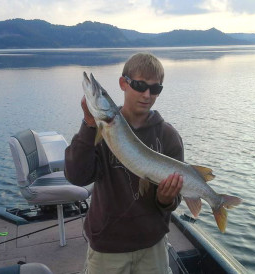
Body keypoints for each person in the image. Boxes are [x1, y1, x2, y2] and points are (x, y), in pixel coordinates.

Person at [65, 52, 184, 274]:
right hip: (107, 245)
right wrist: (89, 124)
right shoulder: (100, 129)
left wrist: (166, 199)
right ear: (123, 83)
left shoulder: (168, 136)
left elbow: (173, 201)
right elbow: (77, 176)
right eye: (139, 85)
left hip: (152, 244)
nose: (147, 94)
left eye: (155, 89)